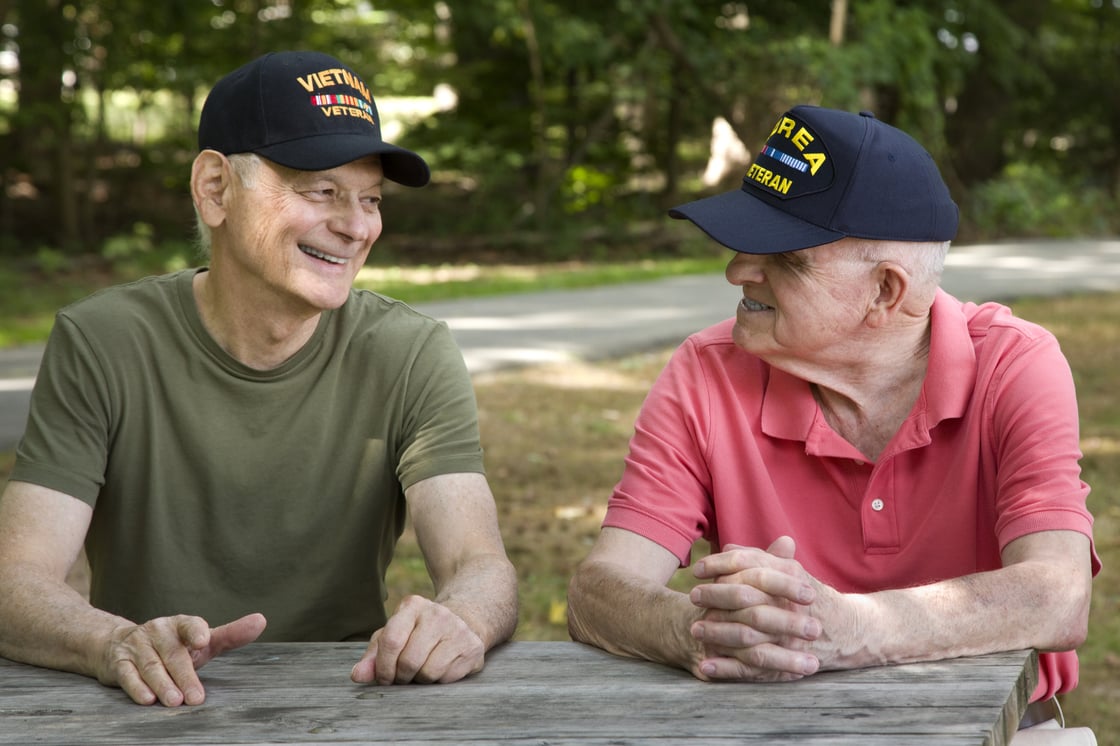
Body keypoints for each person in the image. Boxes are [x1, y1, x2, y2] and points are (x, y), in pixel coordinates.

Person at [0, 50, 518, 707]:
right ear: (215, 188)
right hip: (149, 706)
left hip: (345, 703)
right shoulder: (103, 342)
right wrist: (116, 642)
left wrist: (462, 619)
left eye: (370, 200)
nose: (356, 226)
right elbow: (15, 581)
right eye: (321, 190)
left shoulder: (411, 352)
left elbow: (480, 565)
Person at [566, 105, 1099, 742]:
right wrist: (701, 631)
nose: (737, 271)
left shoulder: (1014, 362)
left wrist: (850, 626)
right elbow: (600, 590)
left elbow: (1057, 595)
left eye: (782, 259)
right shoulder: (705, 371)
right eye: (742, 245)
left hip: (1004, 730)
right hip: (770, 729)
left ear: (885, 291)